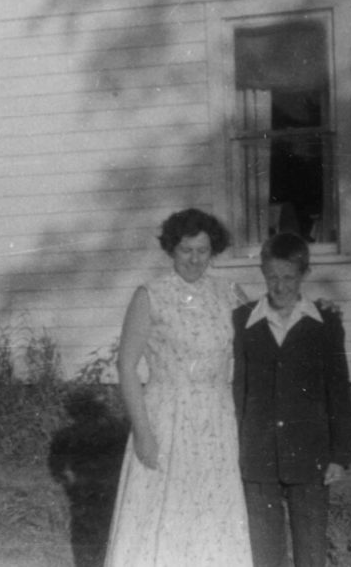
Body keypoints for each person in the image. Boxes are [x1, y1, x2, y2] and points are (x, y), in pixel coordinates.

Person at [104, 208, 252, 567]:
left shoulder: (231, 293)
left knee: (211, 509)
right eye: (187, 250)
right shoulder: (150, 295)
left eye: (203, 250)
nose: (195, 259)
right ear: (172, 249)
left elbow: (259, 349)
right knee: (162, 508)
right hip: (166, 418)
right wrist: (143, 432)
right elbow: (126, 365)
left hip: (217, 421)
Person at [232, 232, 351, 567]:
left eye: (288, 277)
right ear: (262, 274)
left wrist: (339, 455)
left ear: (304, 275)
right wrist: (235, 448)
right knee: (264, 553)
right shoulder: (242, 321)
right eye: (272, 277)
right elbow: (238, 389)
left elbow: (338, 391)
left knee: (311, 550)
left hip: (311, 455)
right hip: (258, 456)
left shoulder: (325, 323)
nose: (280, 286)